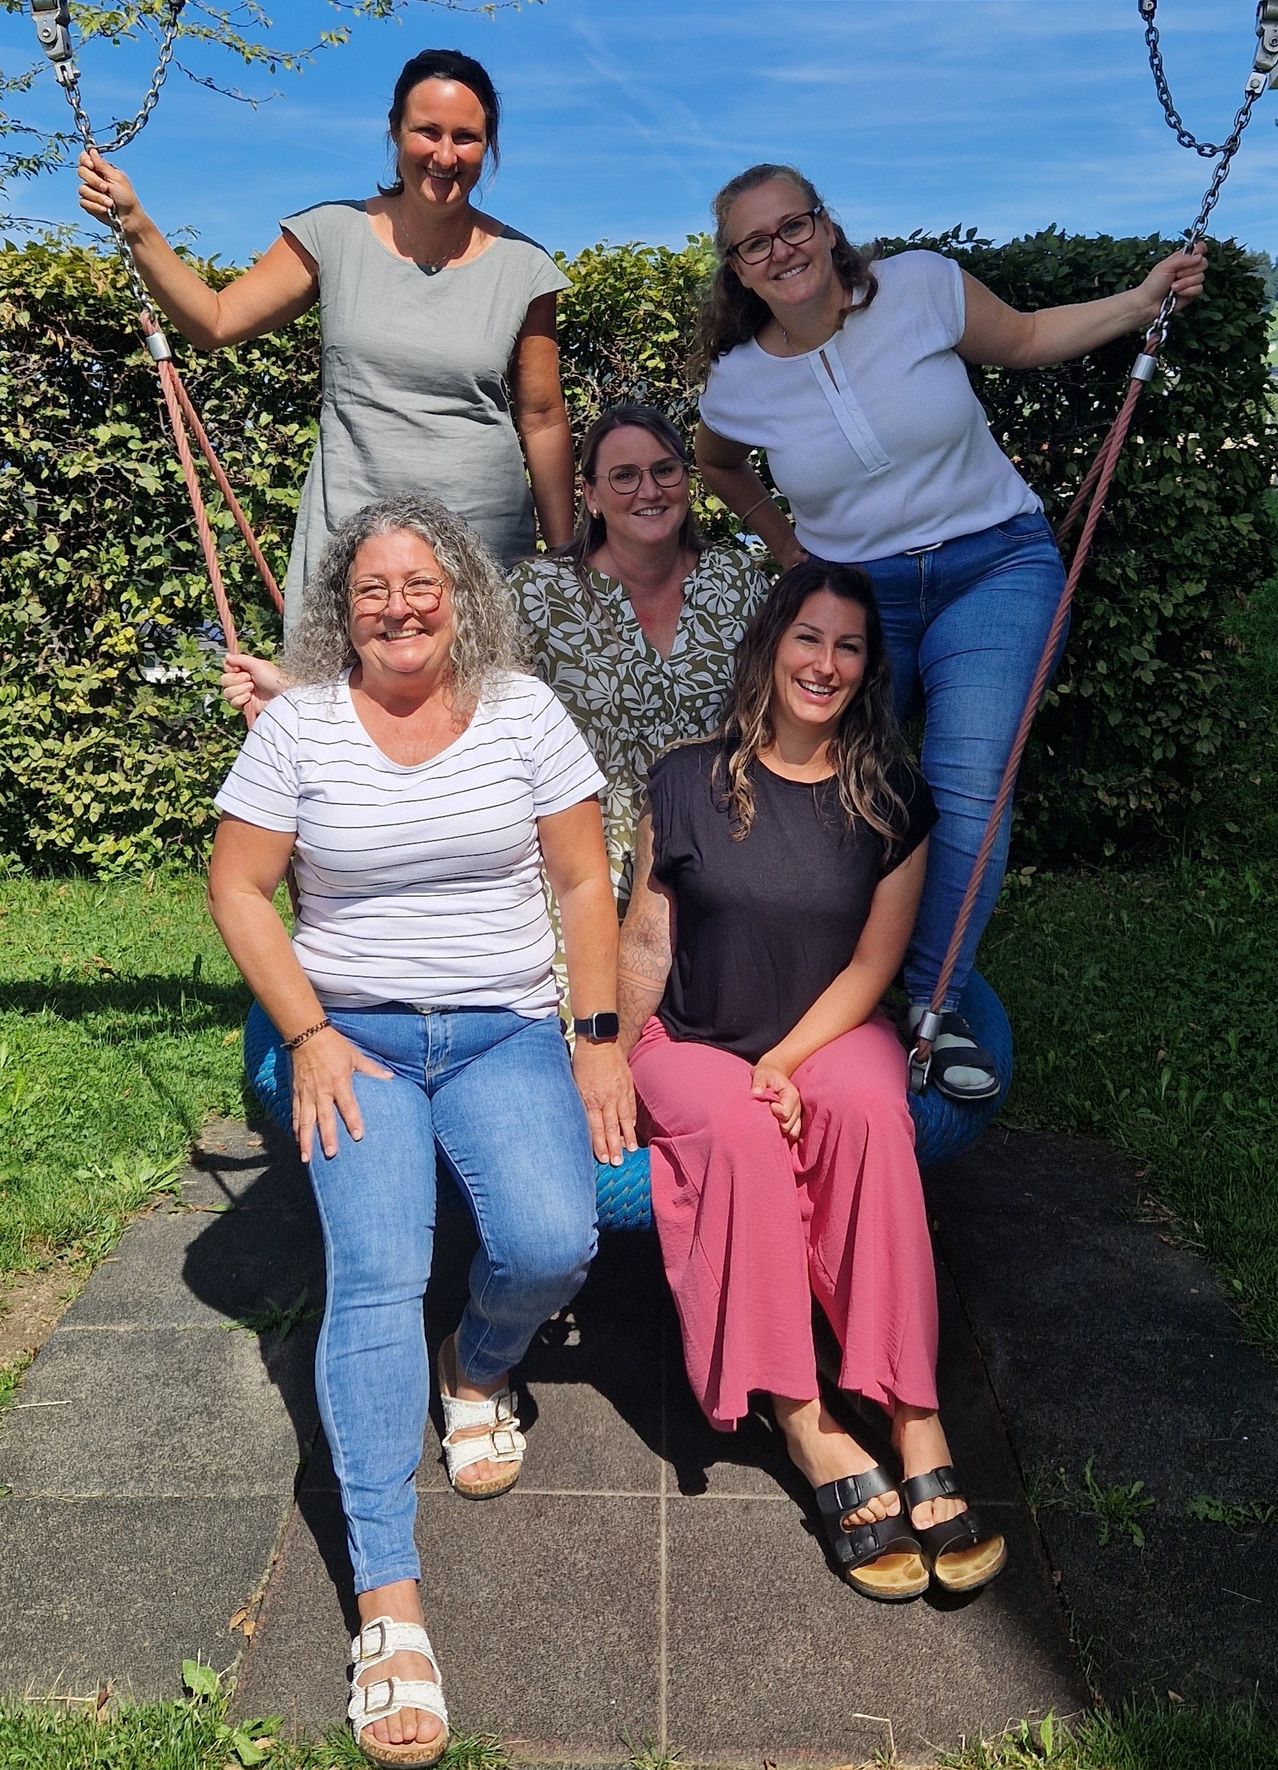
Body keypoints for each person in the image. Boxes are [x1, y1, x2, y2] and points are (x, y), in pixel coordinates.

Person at [208, 494, 634, 1767]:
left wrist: (595, 1040)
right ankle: (387, 1599)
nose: (400, 606)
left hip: (503, 1029)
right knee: (377, 1277)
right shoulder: (300, 731)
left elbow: (579, 879)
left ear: (462, 594)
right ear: (346, 608)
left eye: (422, 583)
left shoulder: (523, 714)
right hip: (361, 1045)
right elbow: (238, 883)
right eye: (374, 589)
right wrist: (309, 1034)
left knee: (558, 1239)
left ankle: (482, 1364)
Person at [694, 163, 1207, 1102]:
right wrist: (793, 553)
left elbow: (1026, 338)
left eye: (795, 224)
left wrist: (1140, 302)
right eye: (755, 242)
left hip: (996, 567)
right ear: (736, 269)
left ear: (826, 223)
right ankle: (827, 990)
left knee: (967, 785)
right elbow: (719, 466)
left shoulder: (922, 289)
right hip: (859, 602)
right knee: (839, 791)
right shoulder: (737, 383)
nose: (782, 249)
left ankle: (932, 1006)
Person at [617, 560, 1007, 1602]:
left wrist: (788, 1061)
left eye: (848, 646)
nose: (824, 663)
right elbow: (648, 941)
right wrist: (607, 1052)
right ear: (769, 646)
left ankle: (910, 1405)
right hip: (695, 1041)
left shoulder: (892, 798)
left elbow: (877, 966)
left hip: (828, 1034)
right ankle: (804, 1415)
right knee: (741, 1134)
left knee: (876, 1110)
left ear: (867, 667)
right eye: (808, 638)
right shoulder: (684, 780)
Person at [78, 48, 575, 627]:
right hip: (352, 549)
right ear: (395, 131)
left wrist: (564, 560)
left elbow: (542, 418)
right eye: (427, 132)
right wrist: (137, 225)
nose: (445, 155)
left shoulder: (525, 267)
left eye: (466, 137)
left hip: (483, 551)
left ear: (488, 145)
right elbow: (213, 321)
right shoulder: (331, 234)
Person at [223, 403, 771, 904]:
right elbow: (443, 676)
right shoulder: (540, 593)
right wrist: (300, 695)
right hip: (579, 863)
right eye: (624, 476)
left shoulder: (739, 583)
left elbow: (779, 710)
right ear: (592, 496)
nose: (648, 490)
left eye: (664, 471)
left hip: (718, 854)